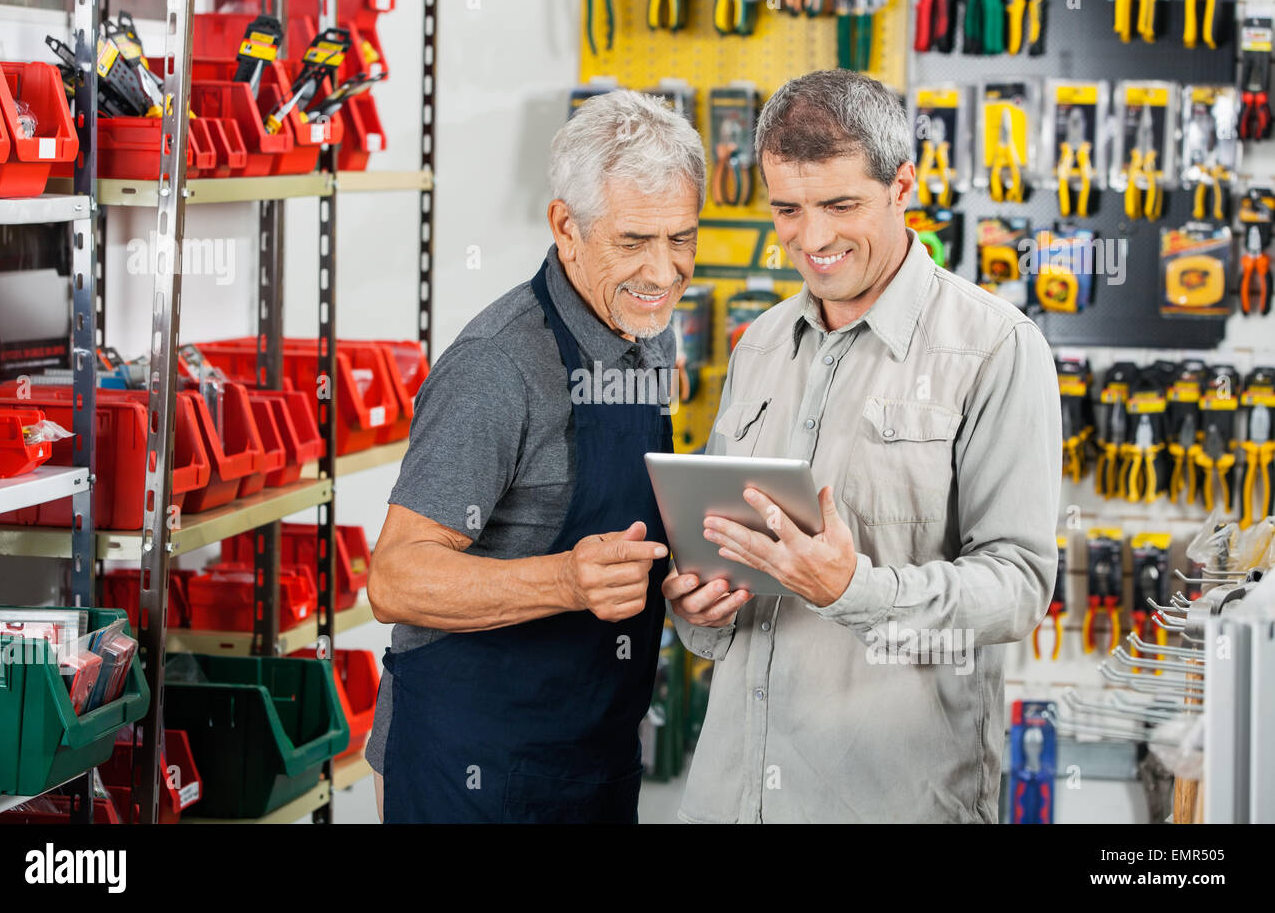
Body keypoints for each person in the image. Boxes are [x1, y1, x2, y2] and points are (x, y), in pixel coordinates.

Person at [664, 70, 1062, 823]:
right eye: (788, 208)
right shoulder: (761, 347)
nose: (811, 239)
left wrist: (854, 590)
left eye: (841, 205)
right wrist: (698, 605)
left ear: (902, 184)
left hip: (887, 800)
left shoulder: (996, 349)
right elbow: (715, 564)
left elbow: (1017, 588)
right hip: (729, 794)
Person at [366, 89, 704, 823]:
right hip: (468, 770)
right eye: (635, 241)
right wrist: (565, 581)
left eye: (682, 237)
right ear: (566, 227)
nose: (664, 271)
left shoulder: (649, 335)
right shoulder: (498, 366)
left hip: (594, 761)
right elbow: (394, 577)